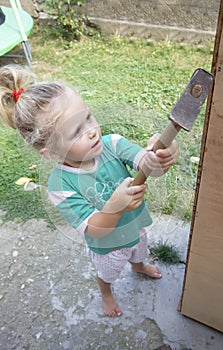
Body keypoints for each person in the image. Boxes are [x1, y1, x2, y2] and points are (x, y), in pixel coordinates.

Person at [0, 64, 179, 317]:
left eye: (88, 117)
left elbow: (148, 164)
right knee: (108, 273)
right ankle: (106, 292)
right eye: (76, 132)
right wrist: (115, 205)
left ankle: (138, 266)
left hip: (135, 226)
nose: (92, 130)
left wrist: (162, 155)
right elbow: (93, 227)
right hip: (108, 247)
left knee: (139, 250)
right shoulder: (60, 185)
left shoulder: (113, 144)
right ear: (51, 152)